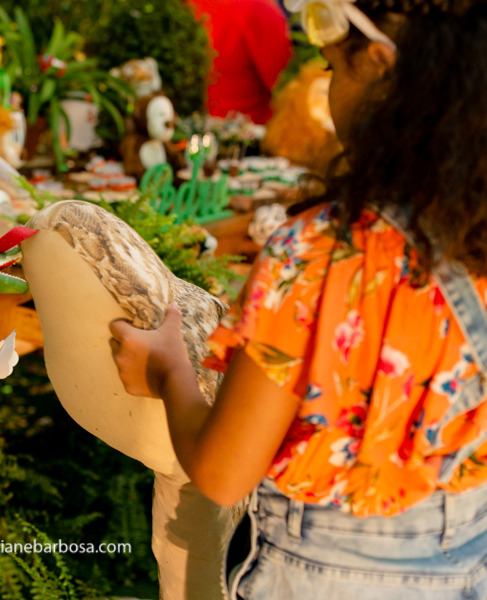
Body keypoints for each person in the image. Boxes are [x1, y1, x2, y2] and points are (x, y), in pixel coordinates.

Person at [111, 0, 487, 598]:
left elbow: (222, 473)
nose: (325, 85)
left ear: (381, 67)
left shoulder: (318, 253)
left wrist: (166, 368)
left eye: (333, 67)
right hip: (467, 563)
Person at [187, 0, 293, 123]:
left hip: (188, 130)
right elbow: (293, 92)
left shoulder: (181, 8)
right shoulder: (255, 9)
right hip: (246, 135)